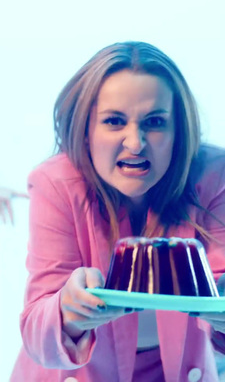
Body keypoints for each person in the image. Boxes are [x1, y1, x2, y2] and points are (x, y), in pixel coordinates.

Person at [10, 41, 225, 382]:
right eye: (114, 121)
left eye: (155, 122)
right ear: (85, 132)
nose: (135, 142)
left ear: (179, 131)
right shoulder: (55, 184)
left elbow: (219, 286)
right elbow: (37, 331)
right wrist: (68, 310)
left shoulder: (212, 176)